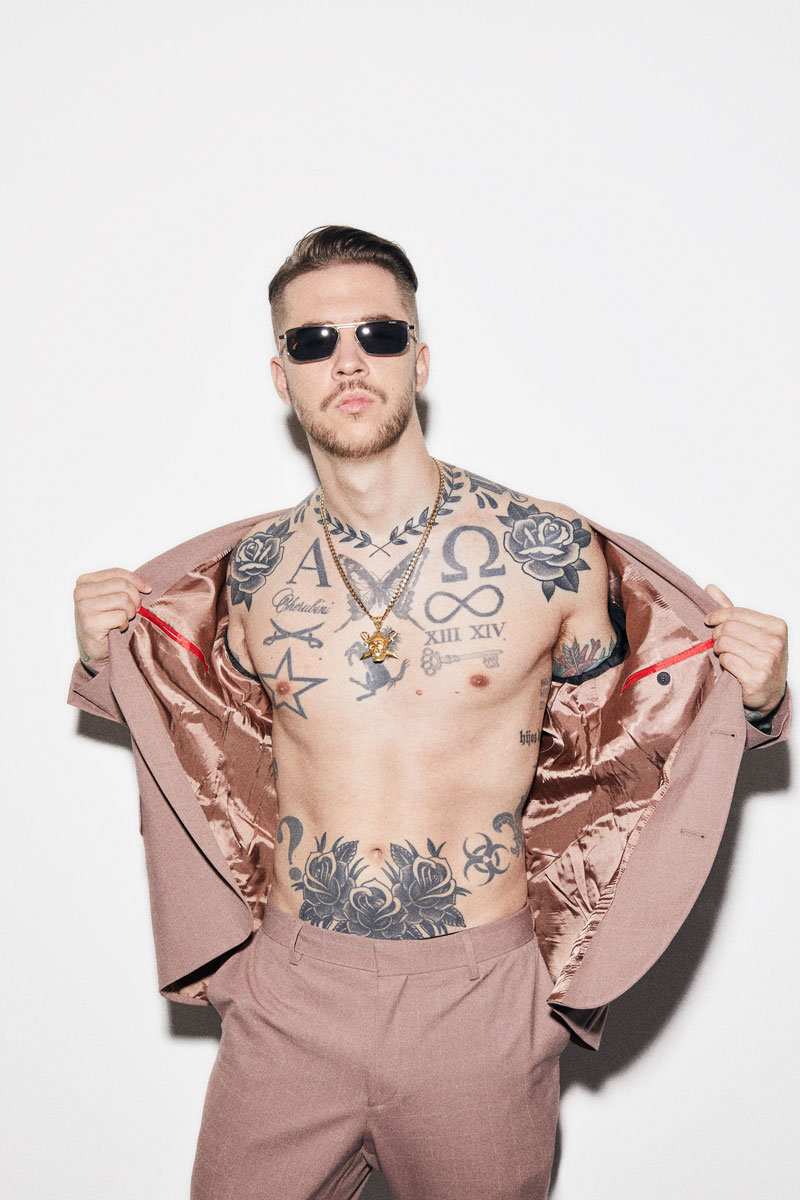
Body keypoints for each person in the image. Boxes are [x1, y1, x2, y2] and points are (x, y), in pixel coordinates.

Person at [71, 226, 790, 1200]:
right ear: (281, 377)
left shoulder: (546, 552)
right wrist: (108, 652)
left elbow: (632, 730)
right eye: (313, 342)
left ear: (418, 356)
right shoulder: (249, 577)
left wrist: (753, 696)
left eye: (376, 332)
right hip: (291, 993)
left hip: (478, 999)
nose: (348, 361)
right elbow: (202, 735)